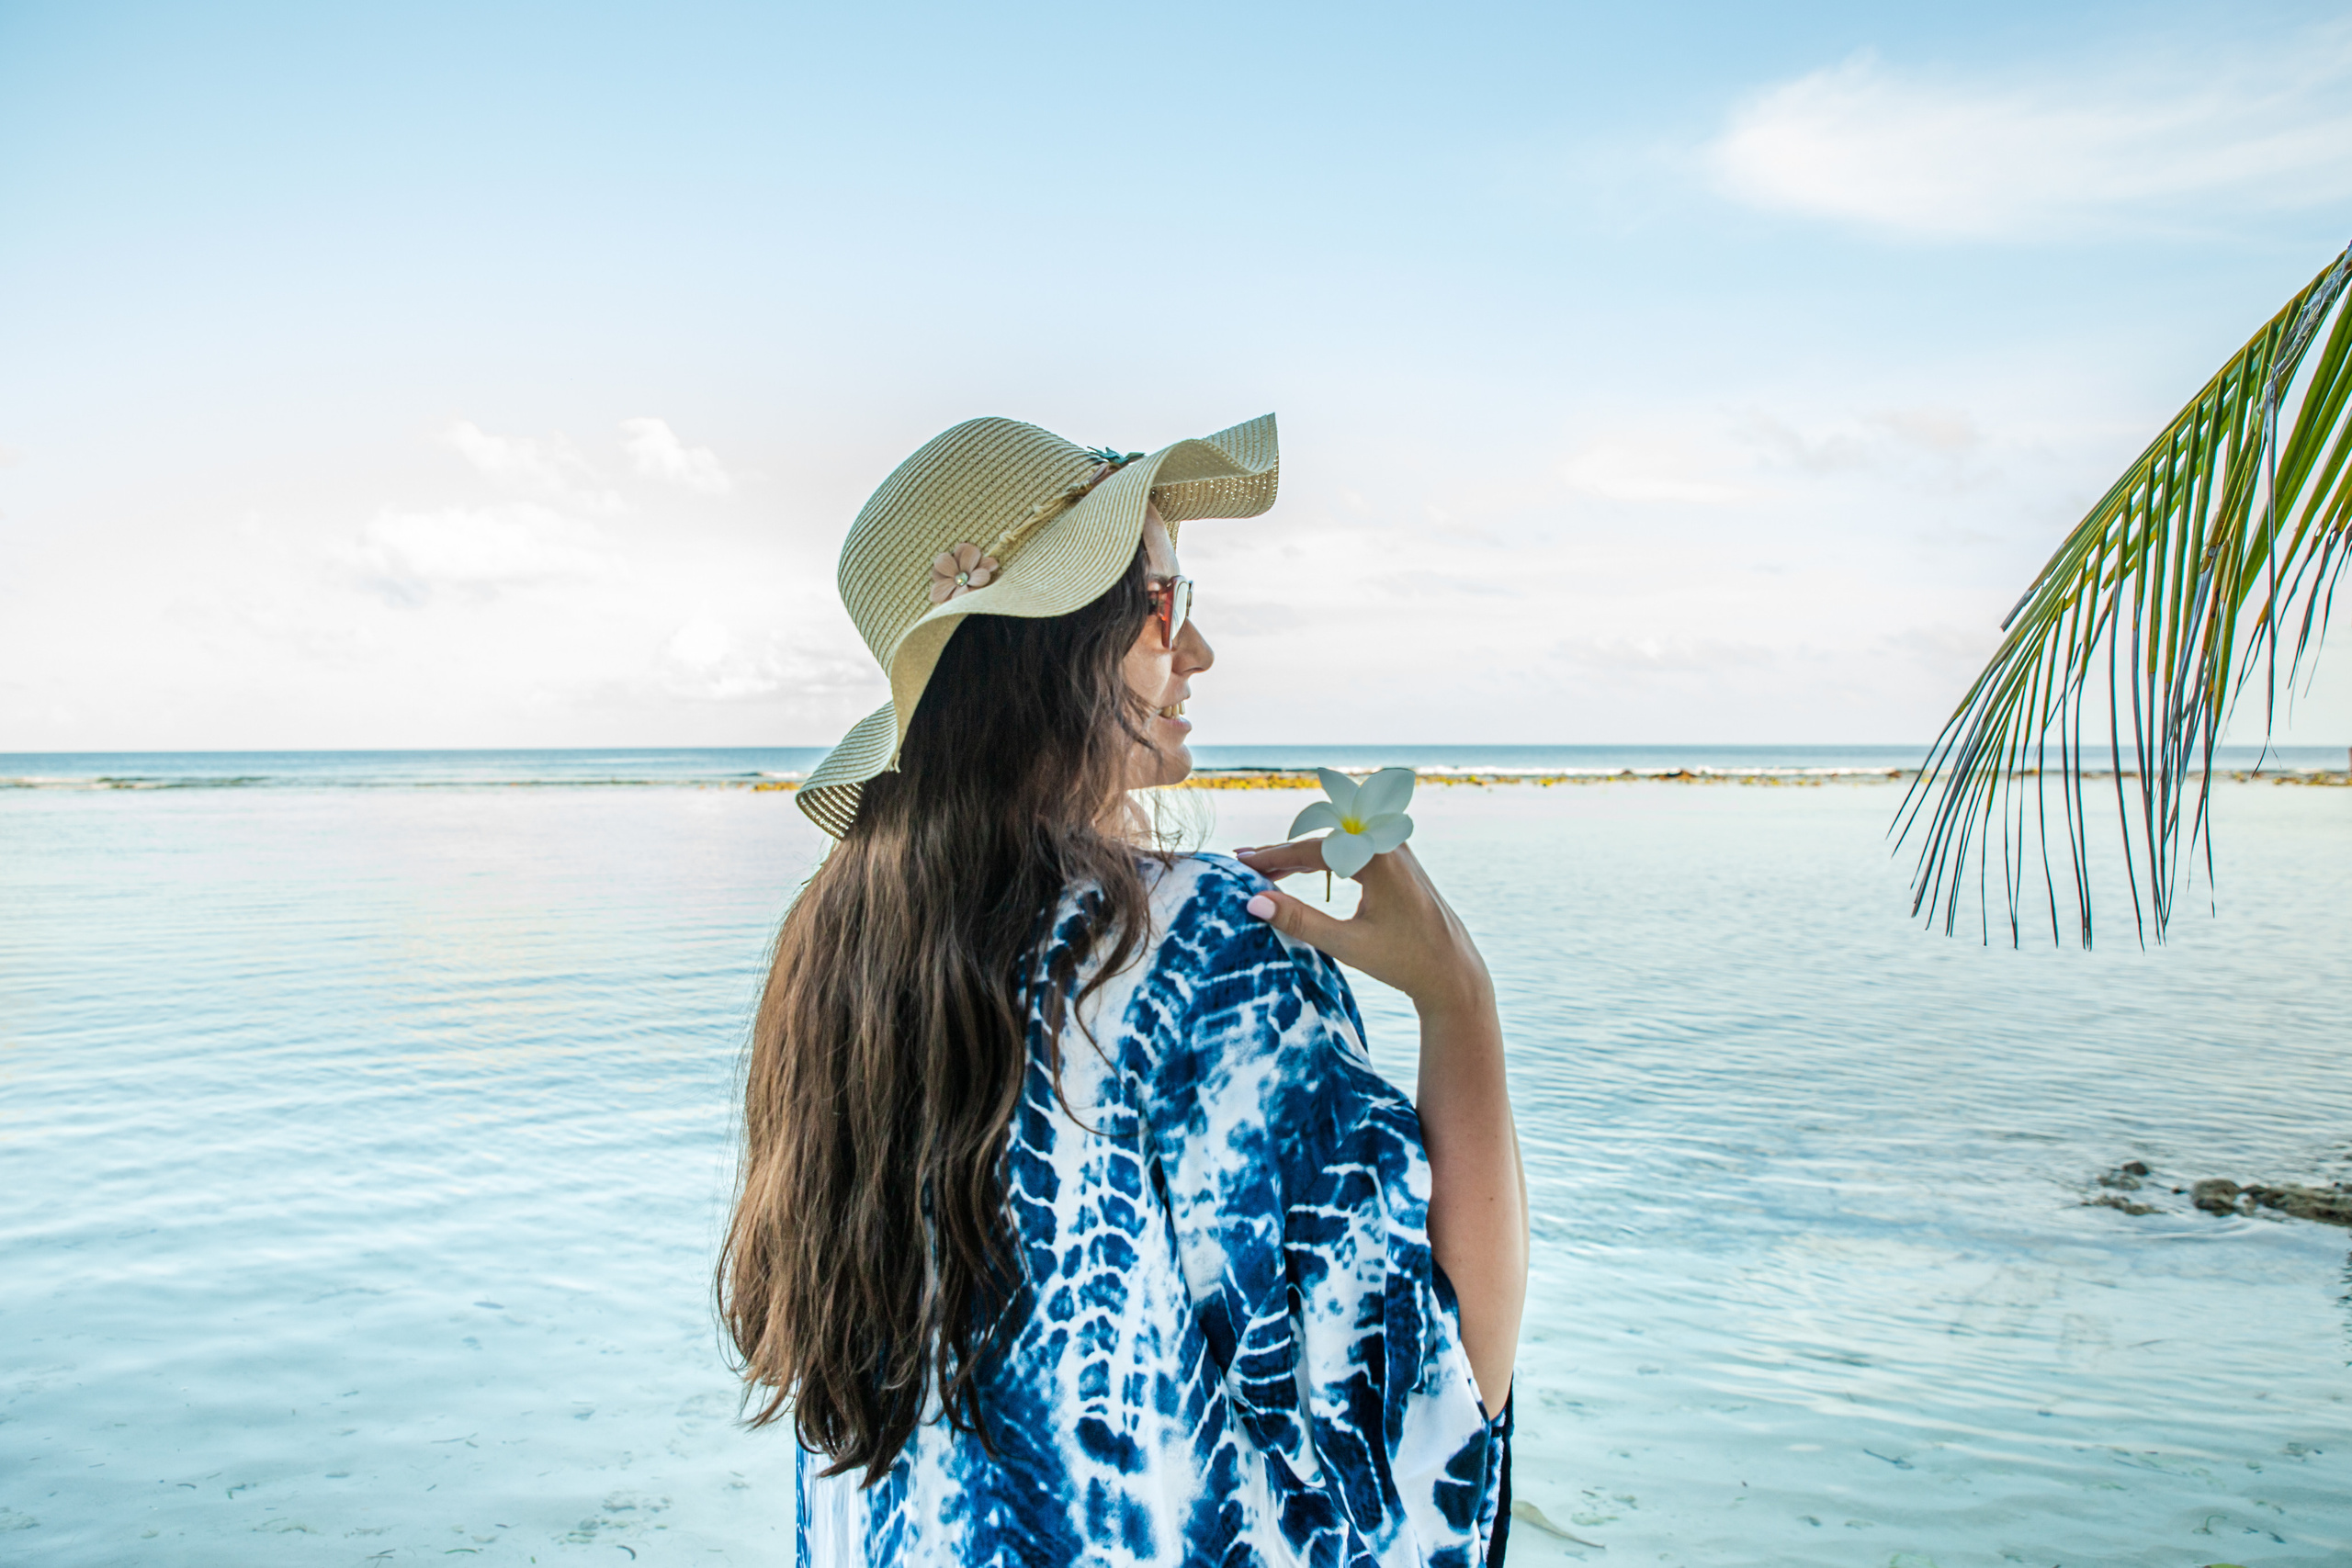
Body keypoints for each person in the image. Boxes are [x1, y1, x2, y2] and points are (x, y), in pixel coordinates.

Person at [719, 413, 1528, 1566]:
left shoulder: (834, 959)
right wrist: (1458, 1002)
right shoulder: (1206, 953)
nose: (1195, 652)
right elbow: (1425, 1403)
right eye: (1165, 604)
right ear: (1050, 646)